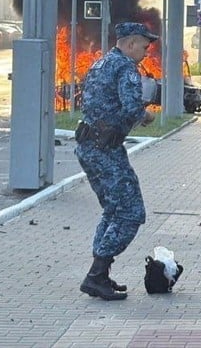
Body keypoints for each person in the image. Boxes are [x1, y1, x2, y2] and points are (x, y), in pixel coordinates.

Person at [75, 22, 159, 301]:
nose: (147, 53)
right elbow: (133, 107)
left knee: (113, 210)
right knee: (131, 213)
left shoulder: (101, 64)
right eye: (145, 47)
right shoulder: (125, 68)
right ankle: (96, 275)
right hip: (106, 151)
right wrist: (147, 116)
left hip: (90, 147)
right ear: (131, 43)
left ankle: (101, 274)